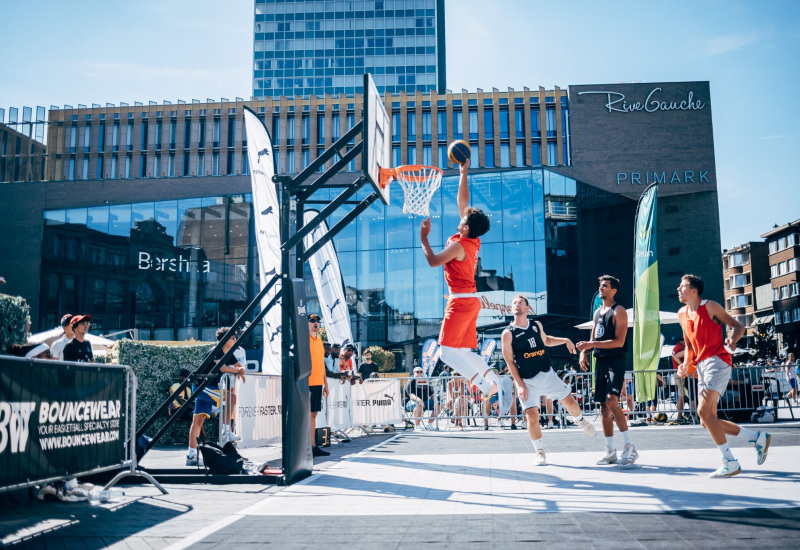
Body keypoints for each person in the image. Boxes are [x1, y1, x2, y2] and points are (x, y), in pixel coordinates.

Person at [419, 159, 509, 416]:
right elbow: (464, 202)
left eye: (464, 219)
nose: (461, 216)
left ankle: (486, 385)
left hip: (460, 301)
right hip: (469, 301)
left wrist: (424, 239)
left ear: (466, 227)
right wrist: (463, 173)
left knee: (446, 354)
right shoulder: (472, 239)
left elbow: (434, 261)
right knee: (463, 351)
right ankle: (495, 380)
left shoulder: (460, 246)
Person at [676, 274, 770, 478]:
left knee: (702, 411)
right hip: (701, 366)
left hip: (717, 362)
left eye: (682, 286)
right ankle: (757, 437)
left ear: (694, 290)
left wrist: (733, 339)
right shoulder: (682, 313)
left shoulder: (710, 307)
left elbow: (739, 326)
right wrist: (684, 364)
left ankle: (730, 461)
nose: (678, 289)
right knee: (706, 419)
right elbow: (690, 346)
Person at [503, 294, 597, 465]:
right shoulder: (508, 333)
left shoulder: (536, 325)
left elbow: (546, 340)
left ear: (527, 308)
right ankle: (539, 451)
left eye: (521, 302)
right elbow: (509, 362)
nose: (517, 305)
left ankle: (580, 420)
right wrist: (521, 385)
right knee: (532, 415)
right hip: (527, 380)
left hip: (547, 374)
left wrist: (565, 340)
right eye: (514, 303)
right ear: (511, 308)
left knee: (571, 404)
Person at [576, 276, 638, 468]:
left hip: (615, 360)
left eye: (605, 286)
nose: (601, 289)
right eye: (600, 286)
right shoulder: (597, 312)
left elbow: (619, 342)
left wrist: (591, 344)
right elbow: (594, 335)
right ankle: (610, 452)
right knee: (603, 407)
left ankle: (629, 446)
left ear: (614, 291)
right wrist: (584, 352)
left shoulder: (619, 311)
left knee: (612, 401)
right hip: (600, 361)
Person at [186, 327, 246, 466]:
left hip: (207, 387)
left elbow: (238, 365)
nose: (235, 339)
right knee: (231, 398)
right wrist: (238, 370)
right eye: (233, 337)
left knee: (198, 421)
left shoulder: (229, 352)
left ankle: (191, 455)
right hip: (203, 387)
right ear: (225, 339)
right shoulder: (216, 350)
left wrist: (240, 369)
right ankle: (226, 431)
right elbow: (224, 368)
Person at [308, 314, 330, 458]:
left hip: (317, 383)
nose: (316, 323)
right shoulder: (304, 340)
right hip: (306, 383)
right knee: (307, 415)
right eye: (312, 321)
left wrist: (325, 384)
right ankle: (309, 446)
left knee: (314, 414)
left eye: (317, 321)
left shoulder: (320, 340)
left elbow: (321, 364)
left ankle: (312, 445)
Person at [405, 367, 441, 431]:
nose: (419, 373)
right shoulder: (411, 381)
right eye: (417, 372)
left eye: (421, 372)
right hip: (411, 402)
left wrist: (436, 401)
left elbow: (431, 394)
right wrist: (419, 400)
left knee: (440, 405)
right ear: (414, 373)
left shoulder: (424, 381)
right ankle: (417, 425)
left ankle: (429, 424)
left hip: (424, 401)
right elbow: (411, 395)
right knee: (418, 405)